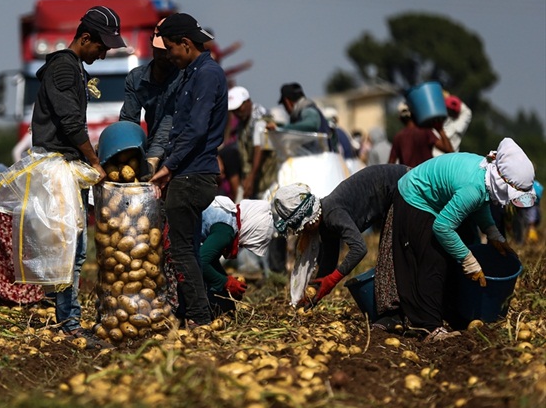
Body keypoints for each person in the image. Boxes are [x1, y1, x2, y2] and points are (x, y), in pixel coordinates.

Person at [31, 5, 119, 341]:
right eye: (102, 46)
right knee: (73, 248)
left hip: (64, 167)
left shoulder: (73, 67)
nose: (105, 52)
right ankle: (69, 323)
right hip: (60, 167)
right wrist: (94, 161)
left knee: (71, 248)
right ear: (85, 38)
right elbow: (70, 122)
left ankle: (65, 316)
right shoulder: (65, 68)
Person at [392, 137, 536, 341]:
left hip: (435, 202)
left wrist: (493, 234)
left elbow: (481, 204)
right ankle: (428, 327)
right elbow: (442, 227)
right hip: (416, 198)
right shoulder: (473, 188)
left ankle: (449, 312)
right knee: (433, 260)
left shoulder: (485, 176)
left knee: (450, 257)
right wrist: (468, 260)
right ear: (504, 184)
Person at [150, 13, 227, 328]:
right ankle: (194, 310)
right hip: (192, 172)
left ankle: (197, 316)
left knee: (181, 250)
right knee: (188, 247)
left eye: (170, 48)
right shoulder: (193, 73)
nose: (168, 55)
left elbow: (195, 130)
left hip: (193, 174)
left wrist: (168, 167)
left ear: (185, 43)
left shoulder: (206, 75)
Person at [270, 164, 410, 309]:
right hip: (395, 190)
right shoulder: (325, 223)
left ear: (311, 218)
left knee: (395, 256)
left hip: (403, 186)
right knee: (391, 256)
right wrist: (316, 291)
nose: (306, 231)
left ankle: (402, 311)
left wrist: (333, 280)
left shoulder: (332, 213)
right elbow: (330, 258)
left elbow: (359, 249)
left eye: (305, 226)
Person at [119, 18, 181, 180]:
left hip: (178, 151)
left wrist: (152, 161)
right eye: (159, 49)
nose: (163, 55)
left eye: (167, 50)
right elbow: (129, 120)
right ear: (151, 43)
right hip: (153, 147)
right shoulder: (136, 78)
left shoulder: (183, 78)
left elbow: (169, 121)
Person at [199, 195, 276, 314]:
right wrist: (225, 283)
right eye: (245, 244)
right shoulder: (226, 231)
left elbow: (211, 260)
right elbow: (202, 262)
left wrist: (227, 282)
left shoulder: (228, 217)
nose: (242, 246)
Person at [228, 86, 271, 200]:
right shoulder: (243, 123)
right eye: (234, 110)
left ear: (247, 102)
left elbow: (259, 148)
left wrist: (251, 178)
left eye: (239, 108)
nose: (237, 113)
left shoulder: (260, 120)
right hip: (252, 180)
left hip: (267, 182)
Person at [266, 82, 335, 152]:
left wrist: (280, 128)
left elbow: (311, 124)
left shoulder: (308, 111)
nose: (285, 109)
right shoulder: (306, 111)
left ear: (287, 101)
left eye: (284, 105)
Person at [388, 102, 452, 167]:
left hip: (409, 175)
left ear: (400, 119)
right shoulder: (425, 131)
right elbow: (449, 150)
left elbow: (390, 163)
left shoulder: (398, 137)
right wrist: (440, 129)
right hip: (426, 174)